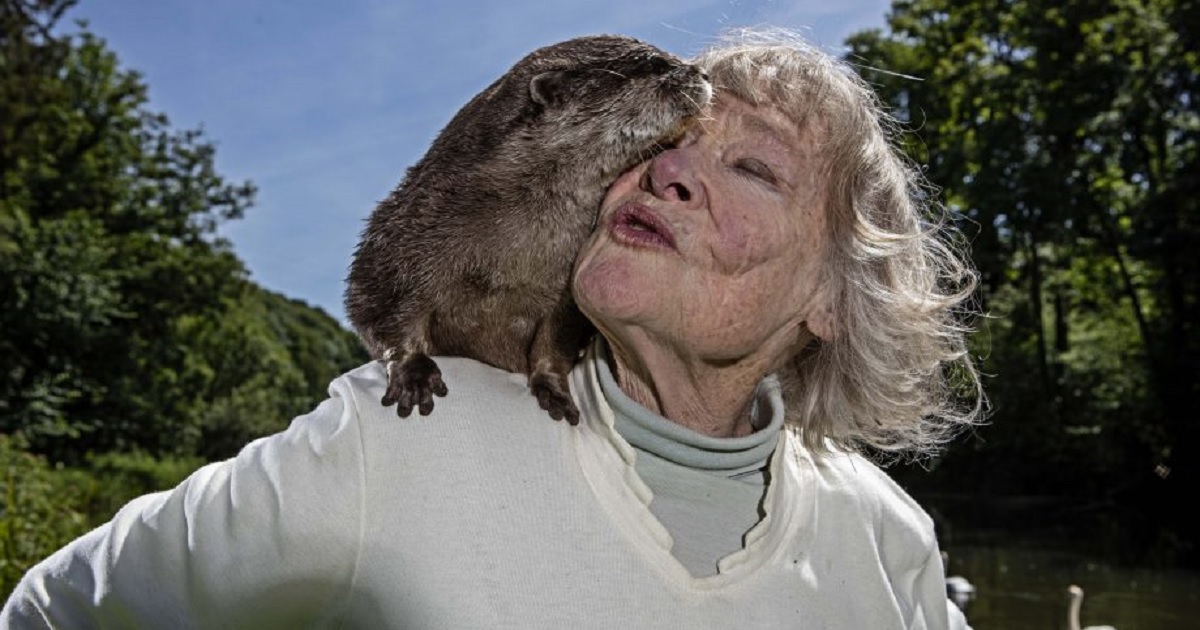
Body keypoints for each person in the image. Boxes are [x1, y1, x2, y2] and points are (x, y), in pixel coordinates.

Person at [1, 27, 983, 628]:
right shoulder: (409, 441)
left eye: (755, 169)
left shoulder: (885, 540)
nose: (668, 172)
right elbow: (55, 613)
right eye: (667, 146)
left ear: (833, 298)